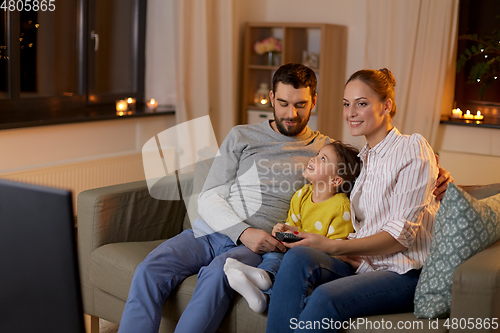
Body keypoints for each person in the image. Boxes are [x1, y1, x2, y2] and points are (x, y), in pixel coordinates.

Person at [117, 64, 452, 333]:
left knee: (218, 274)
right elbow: (208, 198)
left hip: (262, 244)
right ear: (271, 100)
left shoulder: (329, 150)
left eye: (300, 105)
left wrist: (443, 177)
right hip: (213, 231)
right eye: (283, 103)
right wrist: (242, 231)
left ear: (314, 102)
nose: (291, 113)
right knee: (151, 268)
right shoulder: (241, 135)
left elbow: (393, 170)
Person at [266, 68, 443, 333]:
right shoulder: (363, 160)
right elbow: (331, 200)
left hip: (404, 272)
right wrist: (295, 232)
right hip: (363, 264)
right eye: (347, 104)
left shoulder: (412, 148)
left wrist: (335, 246)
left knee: (324, 298)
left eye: (361, 104)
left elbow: (401, 236)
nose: (350, 113)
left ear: (387, 105)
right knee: (297, 257)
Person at [224, 141, 361, 313]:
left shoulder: (340, 207)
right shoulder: (302, 194)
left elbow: (338, 250)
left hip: (320, 262)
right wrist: (283, 230)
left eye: (323, 159)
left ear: (335, 180)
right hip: (296, 254)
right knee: (275, 252)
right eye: (317, 154)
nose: (314, 158)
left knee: (294, 262)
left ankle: (264, 292)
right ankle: (264, 278)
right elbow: (295, 228)